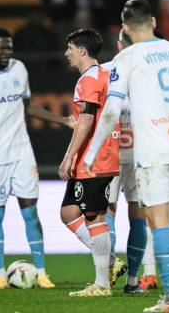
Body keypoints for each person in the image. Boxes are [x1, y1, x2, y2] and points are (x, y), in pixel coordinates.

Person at [83, 0, 169, 312]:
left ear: (126, 28)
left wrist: (92, 152)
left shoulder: (125, 59)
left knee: (158, 221)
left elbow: (111, 111)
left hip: (155, 149)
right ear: (154, 22)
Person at [0, 27, 73, 289]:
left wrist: (63, 120)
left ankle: (42, 273)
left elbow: (28, 106)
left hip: (21, 152)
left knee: (30, 213)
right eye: (2, 48)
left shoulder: (19, 69)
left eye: (10, 47)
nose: (7, 52)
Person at [58, 28, 121, 297]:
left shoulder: (90, 79)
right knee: (69, 213)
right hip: (95, 157)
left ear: (82, 50)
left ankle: (102, 284)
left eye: (70, 48)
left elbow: (86, 120)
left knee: (95, 216)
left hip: (95, 158)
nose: (66, 53)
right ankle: (111, 262)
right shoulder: (105, 75)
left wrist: (69, 155)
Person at [99, 30, 149, 294]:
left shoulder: (104, 71)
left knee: (107, 212)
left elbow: (99, 114)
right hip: (141, 154)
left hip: (111, 152)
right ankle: (132, 282)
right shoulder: (151, 72)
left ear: (119, 44)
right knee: (138, 217)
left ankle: (105, 278)